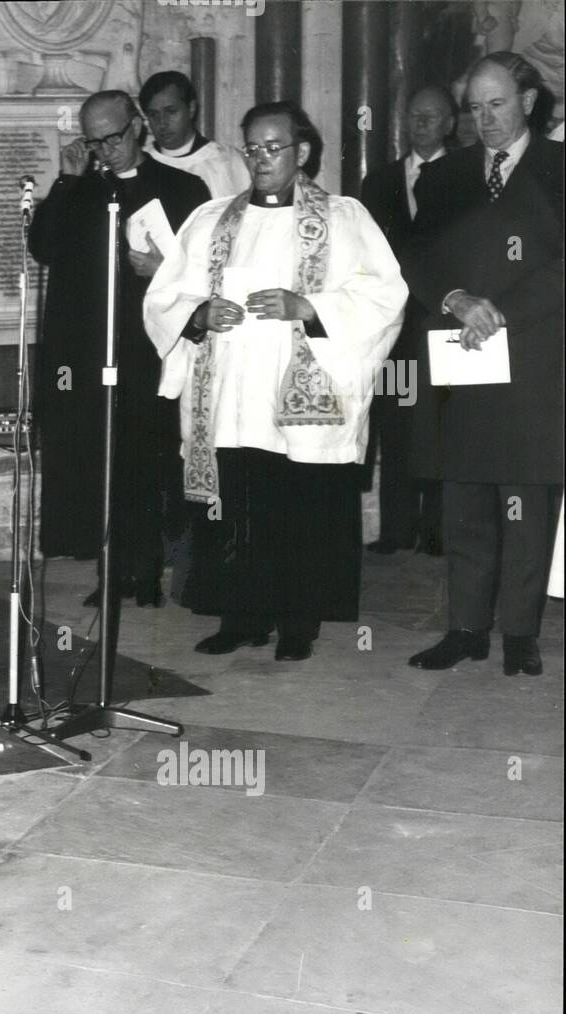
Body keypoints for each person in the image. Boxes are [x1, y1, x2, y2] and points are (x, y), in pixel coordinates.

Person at [145, 101, 407, 661]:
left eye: (273, 147)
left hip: (299, 403)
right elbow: (165, 294)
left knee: (298, 510)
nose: (260, 159)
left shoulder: (343, 218)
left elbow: (386, 296)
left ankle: (296, 623)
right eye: (252, 148)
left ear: (302, 152)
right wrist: (198, 313)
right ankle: (241, 617)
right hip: (230, 397)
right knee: (235, 506)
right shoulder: (213, 219)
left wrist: (308, 306)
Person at [402, 53, 563, 678]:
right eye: (475, 107)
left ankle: (520, 634)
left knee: (525, 495)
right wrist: (456, 300)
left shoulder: (559, 168)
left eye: (497, 104)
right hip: (460, 348)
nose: (485, 119)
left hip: (533, 353)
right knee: (464, 492)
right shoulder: (446, 176)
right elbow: (416, 252)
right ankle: (466, 628)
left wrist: (500, 311)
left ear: (527, 101)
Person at [30, 89, 211, 608]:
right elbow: (43, 246)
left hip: (150, 347)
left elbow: (204, 268)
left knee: (148, 463)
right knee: (101, 463)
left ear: (137, 127)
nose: (104, 150)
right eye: (93, 141)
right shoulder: (82, 189)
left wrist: (164, 269)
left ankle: (151, 571)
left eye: (112, 137)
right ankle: (112, 572)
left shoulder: (183, 187)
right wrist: (64, 180)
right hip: (91, 350)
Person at [359, 86, 456, 556]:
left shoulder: (467, 177)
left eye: (432, 117)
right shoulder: (378, 183)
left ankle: (436, 530)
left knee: (440, 422)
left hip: (442, 326)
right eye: (415, 116)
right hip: (396, 332)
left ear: (450, 124)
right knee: (396, 421)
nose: (422, 124)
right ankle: (395, 529)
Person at [141, 70, 251, 199]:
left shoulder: (230, 162)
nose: (162, 123)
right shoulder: (140, 164)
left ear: (191, 109)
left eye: (171, 111)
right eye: (154, 115)